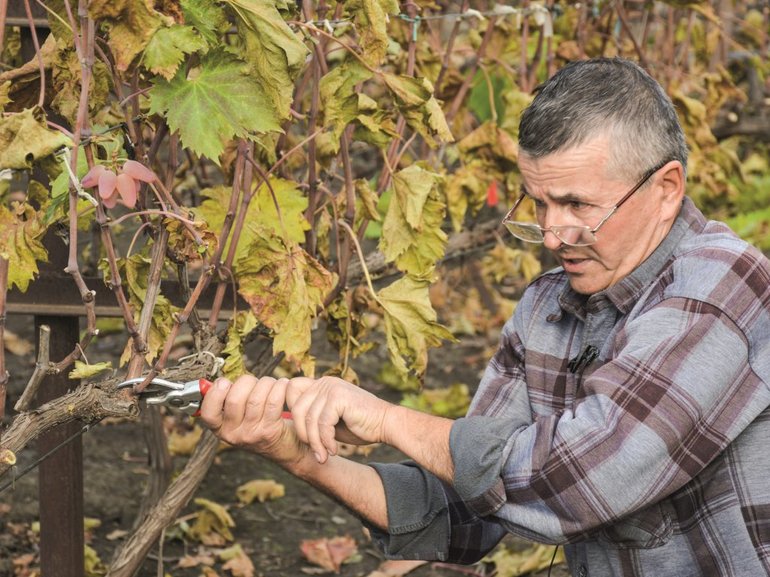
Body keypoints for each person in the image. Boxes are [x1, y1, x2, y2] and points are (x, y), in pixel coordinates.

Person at [199, 58, 770, 577]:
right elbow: (466, 511)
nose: (551, 234)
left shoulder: (722, 287)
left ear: (666, 189)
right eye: (539, 204)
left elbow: (573, 482)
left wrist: (386, 418)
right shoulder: (549, 308)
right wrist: (299, 456)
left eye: (577, 206)